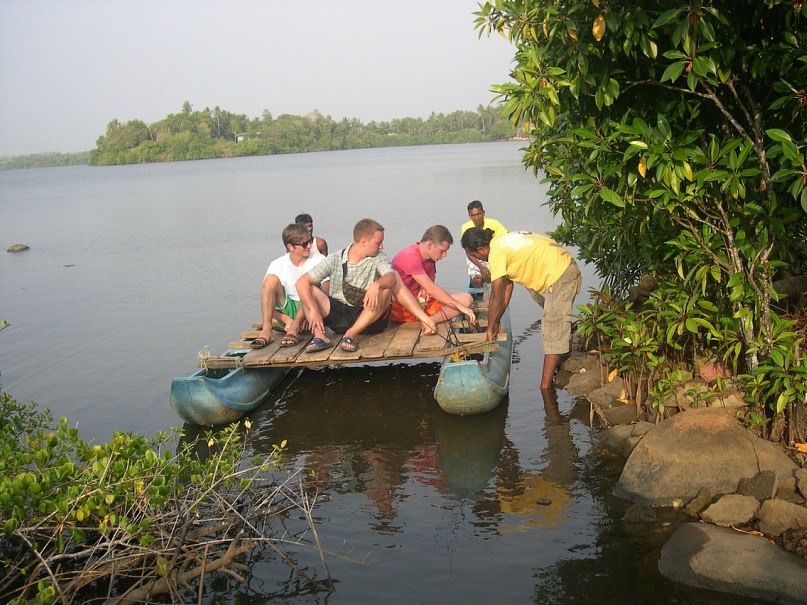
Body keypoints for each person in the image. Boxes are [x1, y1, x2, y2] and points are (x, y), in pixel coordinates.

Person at [461, 228, 582, 390]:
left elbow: (496, 296)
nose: (478, 260)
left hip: (560, 274)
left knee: (552, 329)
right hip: (558, 268)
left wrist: (489, 330)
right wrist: (496, 320)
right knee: (552, 316)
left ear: (482, 249)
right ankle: (560, 348)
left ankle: (545, 387)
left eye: (475, 256)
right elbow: (507, 286)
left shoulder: (497, 253)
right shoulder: (499, 243)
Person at [296, 218, 437, 353]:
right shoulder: (336, 258)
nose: (382, 246)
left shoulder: (379, 257)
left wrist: (377, 285)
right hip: (340, 317)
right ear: (363, 242)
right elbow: (301, 282)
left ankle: (351, 334)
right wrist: (313, 309)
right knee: (307, 289)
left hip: (369, 318)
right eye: (378, 242)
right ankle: (320, 336)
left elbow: (390, 277)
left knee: (390, 281)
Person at [252, 223, 326, 349]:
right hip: (288, 311)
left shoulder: (320, 260)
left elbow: (326, 293)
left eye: (310, 242)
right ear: (290, 247)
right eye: (304, 244)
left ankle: (295, 328)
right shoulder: (277, 264)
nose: (309, 246)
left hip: (311, 310)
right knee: (270, 280)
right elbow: (267, 301)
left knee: (308, 287)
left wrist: (308, 314)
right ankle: (267, 330)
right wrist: (287, 320)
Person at [390, 225, 476, 329]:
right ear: (430, 245)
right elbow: (432, 289)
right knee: (460, 305)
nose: (445, 255)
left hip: (421, 303)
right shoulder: (410, 256)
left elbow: (429, 287)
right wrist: (461, 308)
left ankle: (430, 321)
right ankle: (426, 320)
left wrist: (424, 290)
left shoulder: (430, 258)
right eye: (442, 251)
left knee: (466, 298)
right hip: (403, 308)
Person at [460, 200, 508, 287]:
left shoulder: (494, 224)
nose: (476, 218)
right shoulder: (465, 227)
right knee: (477, 281)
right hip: (475, 258)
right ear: (469, 216)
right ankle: (478, 282)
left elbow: (506, 240)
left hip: (494, 256)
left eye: (478, 214)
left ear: (483, 213)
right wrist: (481, 267)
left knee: (501, 279)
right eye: (473, 215)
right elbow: (469, 253)